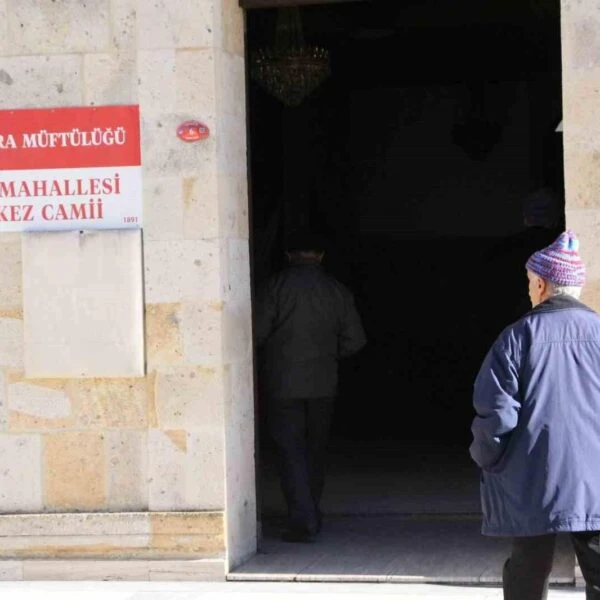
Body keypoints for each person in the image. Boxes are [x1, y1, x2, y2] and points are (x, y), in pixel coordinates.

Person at [470, 230, 600, 600]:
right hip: (597, 482)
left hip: (533, 480)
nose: (529, 291)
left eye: (530, 283)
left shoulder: (515, 338)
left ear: (542, 284)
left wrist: (485, 457)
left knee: (527, 571)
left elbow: (496, 415)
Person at [255, 230, 366, 543]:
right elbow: (355, 340)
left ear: (289, 255)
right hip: (324, 384)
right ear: (321, 256)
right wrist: (327, 355)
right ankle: (310, 511)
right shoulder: (337, 291)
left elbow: (257, 333)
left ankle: (303, 519)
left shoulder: (275, 287)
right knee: (315, 450)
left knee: (290, 451)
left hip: (282, 384)